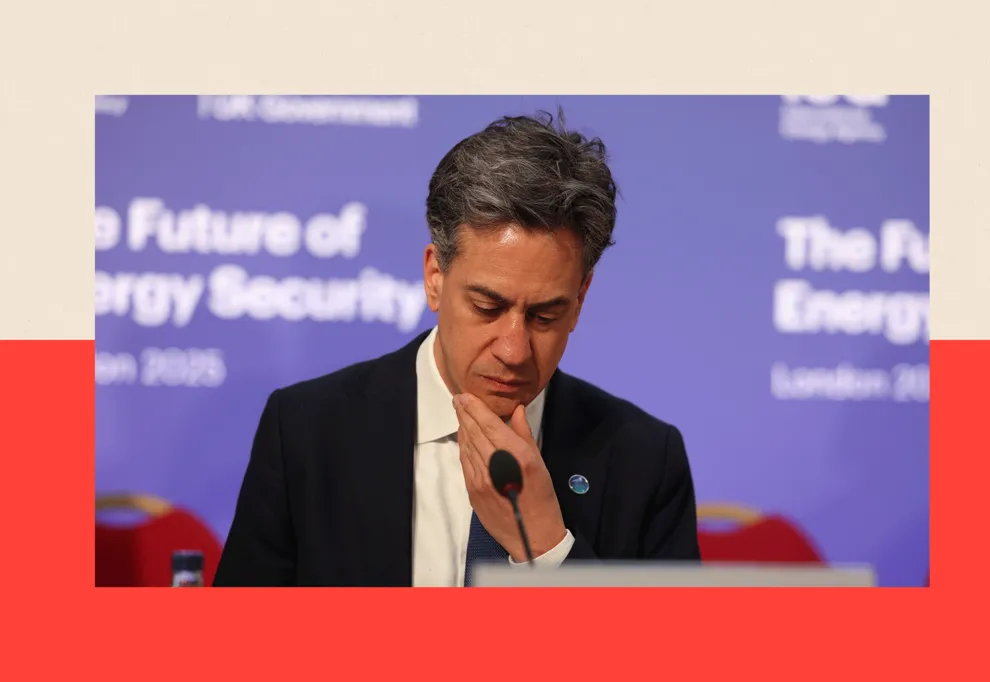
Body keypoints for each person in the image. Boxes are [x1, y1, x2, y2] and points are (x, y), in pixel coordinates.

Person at [213, 109, 701, 587]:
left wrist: (548, 551)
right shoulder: (306, 431)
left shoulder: (644, 460)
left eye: (544, 316)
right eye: (487, 306)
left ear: (581, 299)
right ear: (434, 277)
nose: (513, 350)